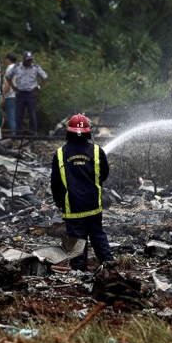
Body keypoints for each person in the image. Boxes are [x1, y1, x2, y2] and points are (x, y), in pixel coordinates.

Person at [50, 114, 114, 271]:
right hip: (93, 204)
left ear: (68, 132)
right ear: (88, 132)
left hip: (72, 205)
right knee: (98, 235)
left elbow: (55, 183)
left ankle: (79, 270)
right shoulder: (98, 151)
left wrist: (59, 202)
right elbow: (104, 174)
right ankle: (109, 265)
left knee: (76, 238)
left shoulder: (60, 154)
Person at [5, 51, 48, 134]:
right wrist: (13, 87)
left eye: (30, 60)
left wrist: (39, 87)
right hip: (20, 93)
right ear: (24, 59)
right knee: (19, 114)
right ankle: (19, 132)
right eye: (28, 60)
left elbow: (45, 77)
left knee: (32, 113)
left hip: (31, 93)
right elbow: (8, 76)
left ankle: (33, 132)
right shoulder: (17, 67)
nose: (29, 62)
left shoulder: (35, 67)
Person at [0, 52, 17, 134]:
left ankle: (13, 134)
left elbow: (8, 83)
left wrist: (3, 95)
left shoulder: (9, 69)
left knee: (10, 115)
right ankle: (14, 132)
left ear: (8, 59)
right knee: (13, 114)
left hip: (10, 95)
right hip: (16, 94)